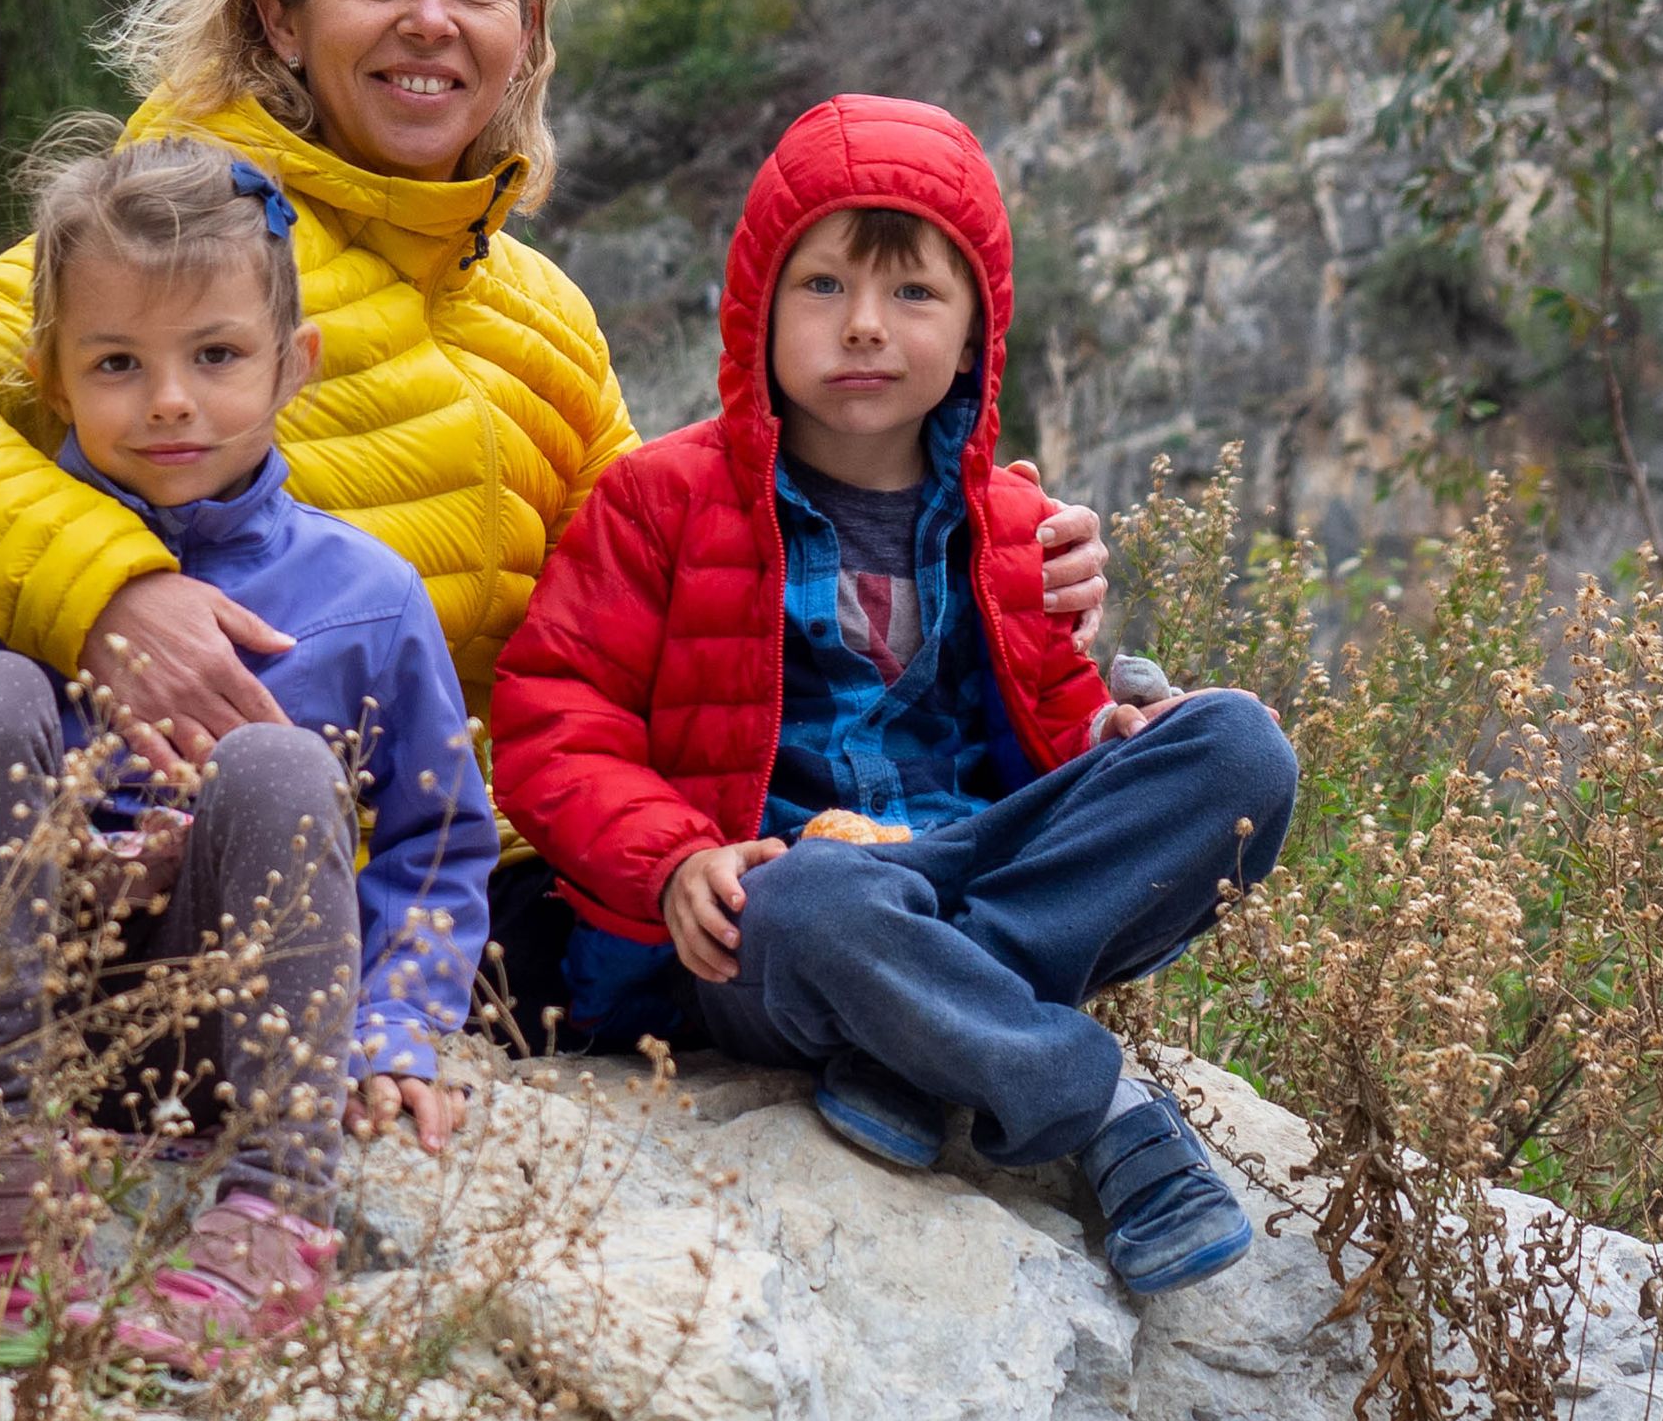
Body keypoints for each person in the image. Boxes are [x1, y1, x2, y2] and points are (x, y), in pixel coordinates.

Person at [0, 0, 1120, 1037]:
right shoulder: (177, 256)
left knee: (1149, 742)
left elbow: (685, 586)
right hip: (197, 892)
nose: (431, 18)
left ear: (524, 31)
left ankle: (960, 1003)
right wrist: (111, 591)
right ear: (278, 17)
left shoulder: (538, 313)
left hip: (474, 908)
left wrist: (988, 566)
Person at [489, 96, 1301, 1297]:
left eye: (915, 294)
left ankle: (916, 1045)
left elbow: (1041, 725)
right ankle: (1099, 1108)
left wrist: (1108, 737)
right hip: (775, 913)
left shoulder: (1015, 527)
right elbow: (555, 715)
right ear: (754, 307)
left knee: (1239, 750)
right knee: (821, 899)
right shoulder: (659, 501)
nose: (863, 327)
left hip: (962, 861)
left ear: (979, 332)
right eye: (821, 287)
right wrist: (672, 863)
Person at [0, 133, 493, 1350]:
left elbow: (438, 838)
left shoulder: (368, 594)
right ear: (51, 379)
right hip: (13, 1048)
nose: (170, 399)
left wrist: (400, 1020)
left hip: (234, 1045)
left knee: (274, 763)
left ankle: (275, 1212)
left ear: (293, 365)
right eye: (117, 362)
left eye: (215, 356)